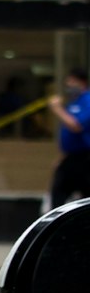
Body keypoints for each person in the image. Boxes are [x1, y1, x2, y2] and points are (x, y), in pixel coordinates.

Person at [48, 69, 90, 207]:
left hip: (85, 158)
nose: (68, 85)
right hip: (71, 158)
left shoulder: (87, 100)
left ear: (81, 82)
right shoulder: (73, 102)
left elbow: (76, 126)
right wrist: (63, 156)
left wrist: (57, 109)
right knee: (58, 193)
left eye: (71, 81)